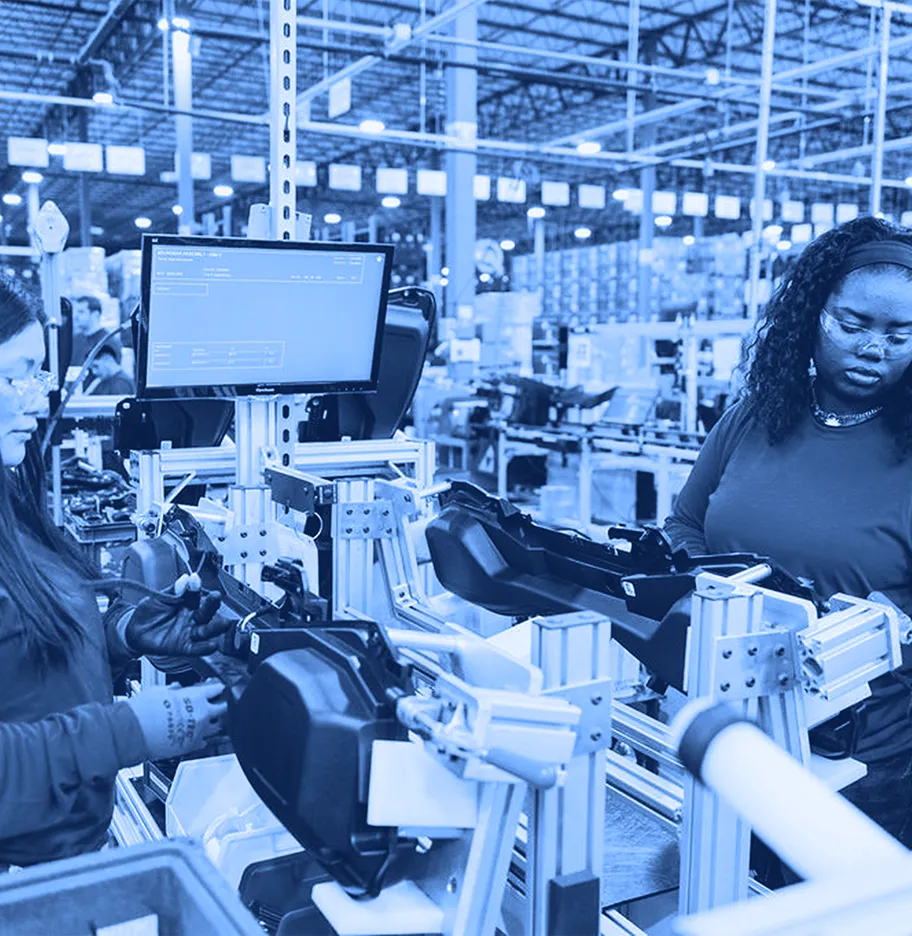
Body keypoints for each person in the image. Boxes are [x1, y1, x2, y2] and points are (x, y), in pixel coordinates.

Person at [664, 215, 912, 850]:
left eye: (900, 334)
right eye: (853, 326)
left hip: (861, 762)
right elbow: (686, 524)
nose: (873, 348)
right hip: (723, 724)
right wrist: (709, 591)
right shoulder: (753, 418)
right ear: (813, 317)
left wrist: (885, 624)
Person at [0, 275, 230, 868]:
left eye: (39, 374)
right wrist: (127, 730)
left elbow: (20, 659)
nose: (37, 396)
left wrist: (124, 635)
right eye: (15, 373)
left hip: (66, 854)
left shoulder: (12, 506)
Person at [70, 295, 121, 367]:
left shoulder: (109, 342)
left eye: (81, 312)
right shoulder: (74, 340)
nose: (75, 316)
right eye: (75, 312)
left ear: (95, 314)